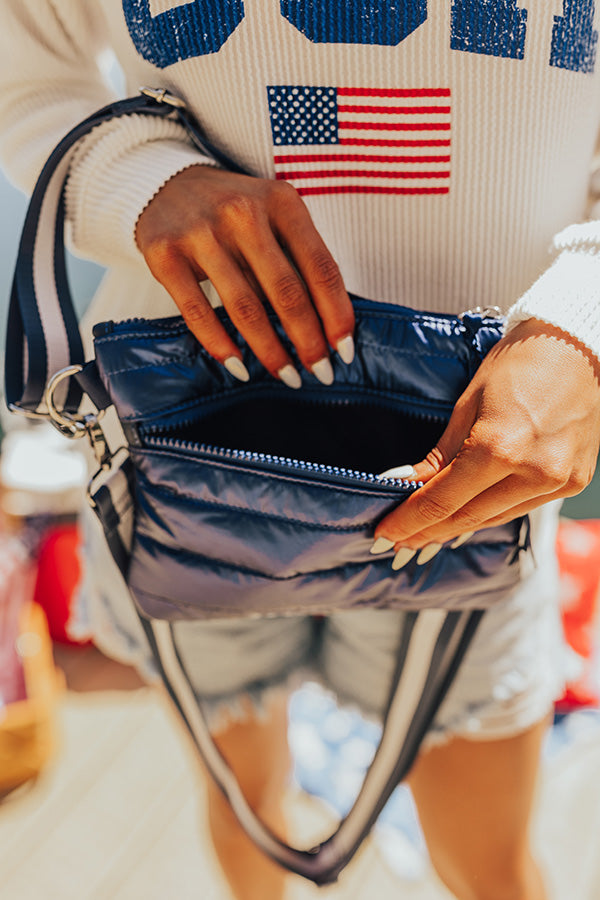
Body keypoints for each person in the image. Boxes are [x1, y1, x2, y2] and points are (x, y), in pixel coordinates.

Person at [1, 3, 600, 898]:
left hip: (482, 450)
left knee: (486, 858)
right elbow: (27, 62)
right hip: (191, 444)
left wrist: (587, 312)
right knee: (245, 790)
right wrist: (140, 179)